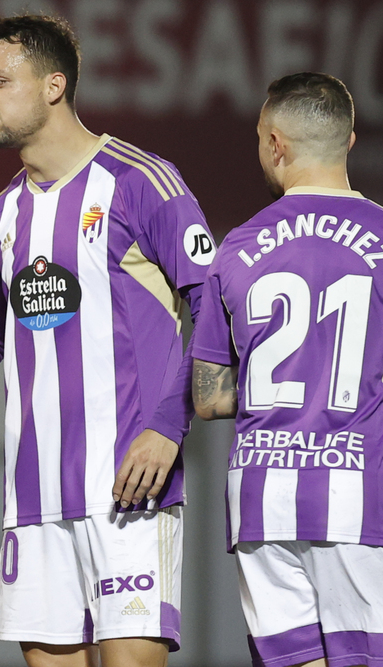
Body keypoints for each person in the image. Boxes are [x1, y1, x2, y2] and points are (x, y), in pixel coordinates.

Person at [0, 14, 216, 667]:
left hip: (128, 488)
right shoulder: (3, 213)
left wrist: (170, 426)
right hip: (34, 498)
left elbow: (214, 308)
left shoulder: (141, 181)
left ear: (54, 85)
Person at [192, 72, 383, 667]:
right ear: (349, 142)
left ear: (274, 143)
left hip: (262, 498)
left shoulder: (238, 247)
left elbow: (209, 396)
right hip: (360, 495)